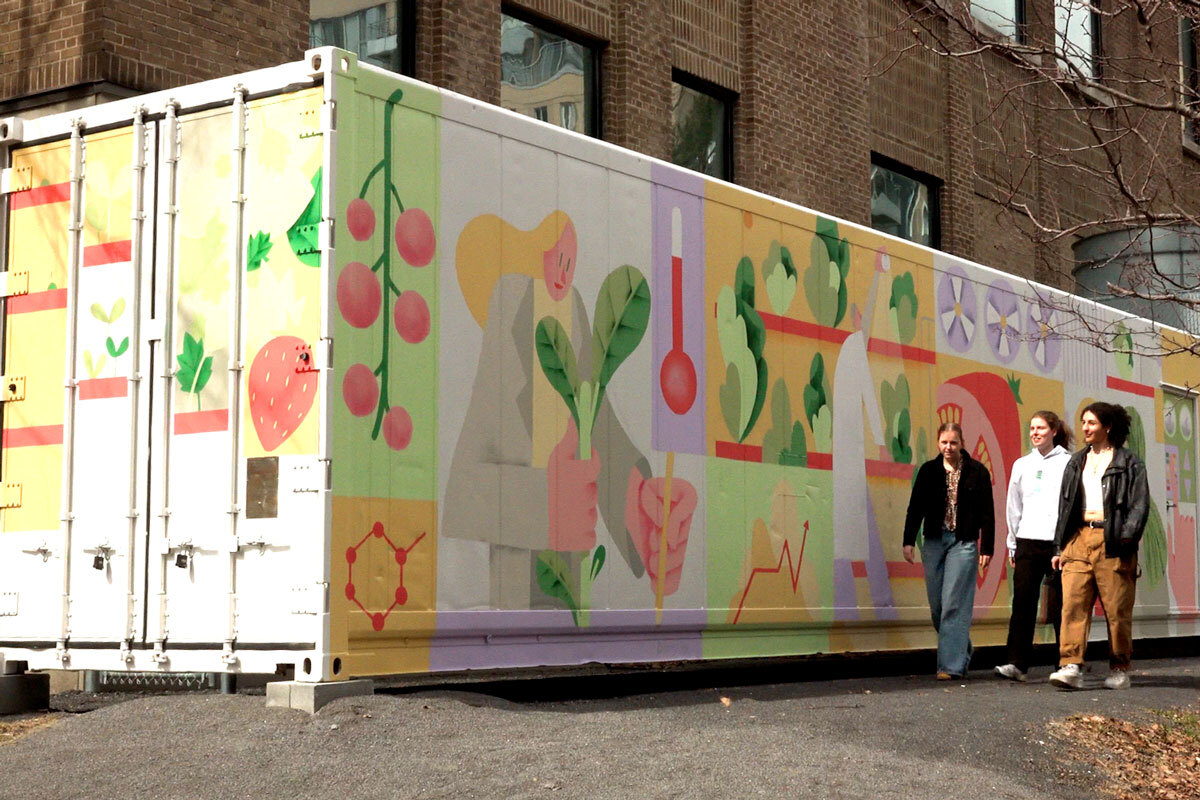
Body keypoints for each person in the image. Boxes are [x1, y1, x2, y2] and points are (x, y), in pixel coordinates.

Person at [1048, 402, 1149, 690]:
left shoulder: (1129, 463)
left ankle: (1119, 667)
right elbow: (1065, 506)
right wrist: (1060, 547)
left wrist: (1125, 540)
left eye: (1091, 423)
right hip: (1078, 538)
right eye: (1083, 422)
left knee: (1116, 609)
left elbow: (1139, 507)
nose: (1085, 428)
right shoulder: (1076, 461)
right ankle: (1070, 665)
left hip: (1112, 540)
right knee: (1073, 604)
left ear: (1108, 426)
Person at [903, 421, 995, 679]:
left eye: (953, 442)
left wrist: (987, 546)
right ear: (937, 443)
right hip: (933, 541)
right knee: (938, 607)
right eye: (944, 442)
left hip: (963, 543)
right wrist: (908, 541)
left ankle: (950, 666)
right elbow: (915, 507)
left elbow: (988, 512)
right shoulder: (928, 471)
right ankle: (961, 647)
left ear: (962, 443)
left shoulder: (977, 472)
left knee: (954, 603)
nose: (948, 447)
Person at [994, 411, 1071, 682]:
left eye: (1040, 428)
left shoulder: (1068, 462)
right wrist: (1012, 542)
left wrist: (1065, 545)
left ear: (1054, 431)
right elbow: (1013, 505)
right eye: (1031, 428)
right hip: (1027, 540)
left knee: (1062, 604)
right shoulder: (1022, 464)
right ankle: (1017, 663)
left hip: (1057, 543)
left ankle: (1066, 663)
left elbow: (1070, 504)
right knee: (1023, 603)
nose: (1035, 432)